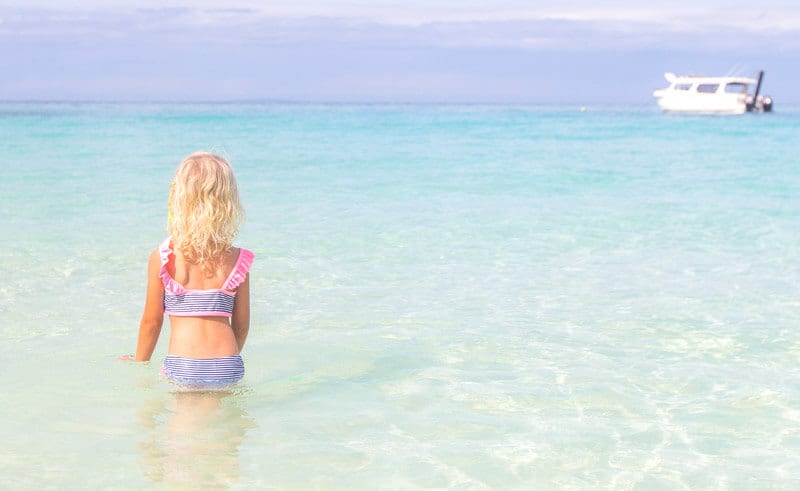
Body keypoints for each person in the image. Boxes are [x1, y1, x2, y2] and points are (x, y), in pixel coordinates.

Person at [123, 152, 254, 388]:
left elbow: (151, 322)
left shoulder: (163, 258)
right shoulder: (237, 260)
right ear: (227, 201)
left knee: (183, 424)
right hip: (228, 361)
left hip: (184, 364)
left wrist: (139, 362)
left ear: (179, 198)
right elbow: (242, 325)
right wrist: (227, 361)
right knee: (229, 425)